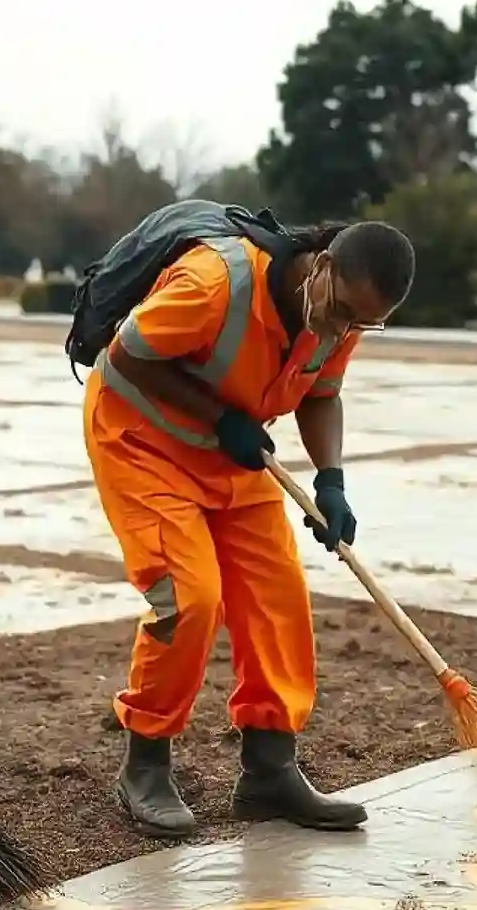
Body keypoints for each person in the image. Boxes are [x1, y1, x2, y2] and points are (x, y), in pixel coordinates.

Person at [83, 217, 416, 839]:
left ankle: (269, 769)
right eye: (342, 309)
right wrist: (218, 417)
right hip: (143, 440)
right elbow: (126, 355)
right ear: (321, 264)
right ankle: (145, 763)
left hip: (230, 454)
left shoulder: (338, 317)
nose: (344, 329)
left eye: (361, 323)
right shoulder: (217, 282)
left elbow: (321, 394)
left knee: (279, 596)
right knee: (189, 596)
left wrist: (331, 481)